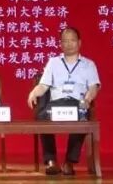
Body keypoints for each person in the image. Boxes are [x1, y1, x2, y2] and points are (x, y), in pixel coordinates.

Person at [26, 27, 101, 176]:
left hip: (77, 102)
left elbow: (94, 87)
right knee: (42, 117)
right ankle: (51, 161)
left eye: (72, 40)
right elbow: (43, 85)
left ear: (79, 43)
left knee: (82, 118)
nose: (69, 44)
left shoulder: (89, 64)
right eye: (65, 41)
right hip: (56, 104)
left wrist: (87, 99)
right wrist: (33, 92)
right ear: (60, 44)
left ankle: (69, 162)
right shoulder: (53, 62)